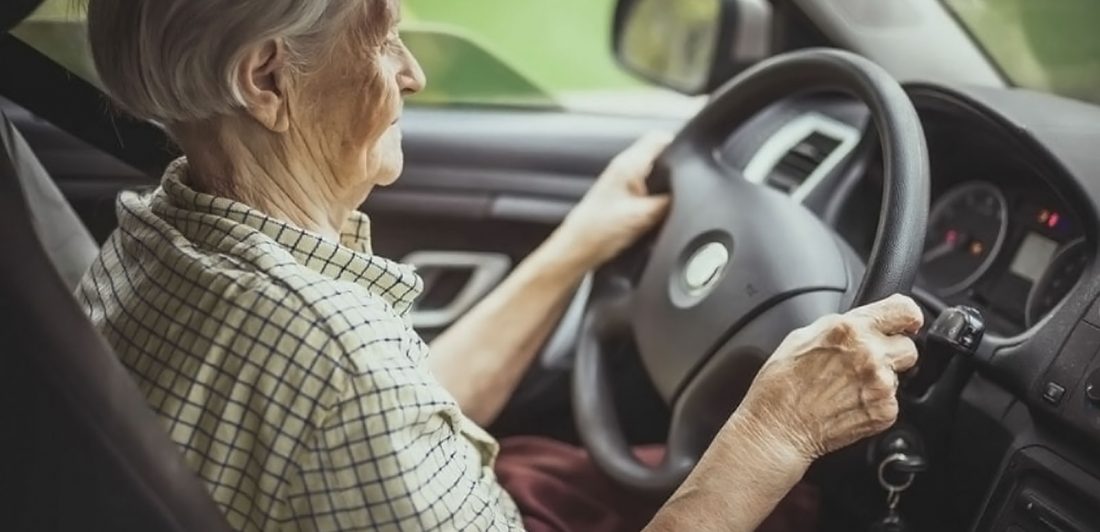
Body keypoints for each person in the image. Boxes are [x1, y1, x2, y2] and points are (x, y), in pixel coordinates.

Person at [76, 0, 922, 530]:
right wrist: (778, 430)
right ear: (267, 80)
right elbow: (358, 397)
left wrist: (578, 245)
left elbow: (386, 414)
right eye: (384, 38)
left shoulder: (153, 237)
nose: (411, 73)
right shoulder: (340, 363)